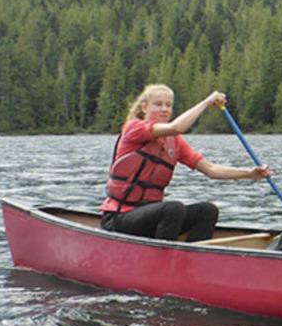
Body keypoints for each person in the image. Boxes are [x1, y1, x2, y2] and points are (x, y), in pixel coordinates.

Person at [99, 84, 271, 242]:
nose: (164, 109)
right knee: (173, 209)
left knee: (207, 211)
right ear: (145, 108)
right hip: (119, 218)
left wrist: (249, 174)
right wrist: (207, 102)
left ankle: (192, 259)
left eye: (168, 105)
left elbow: (211, 170)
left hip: (148, 217)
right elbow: (177, 127)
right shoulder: (134, 128)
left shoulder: (174, 142)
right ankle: (163, 260)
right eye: (158, 104)